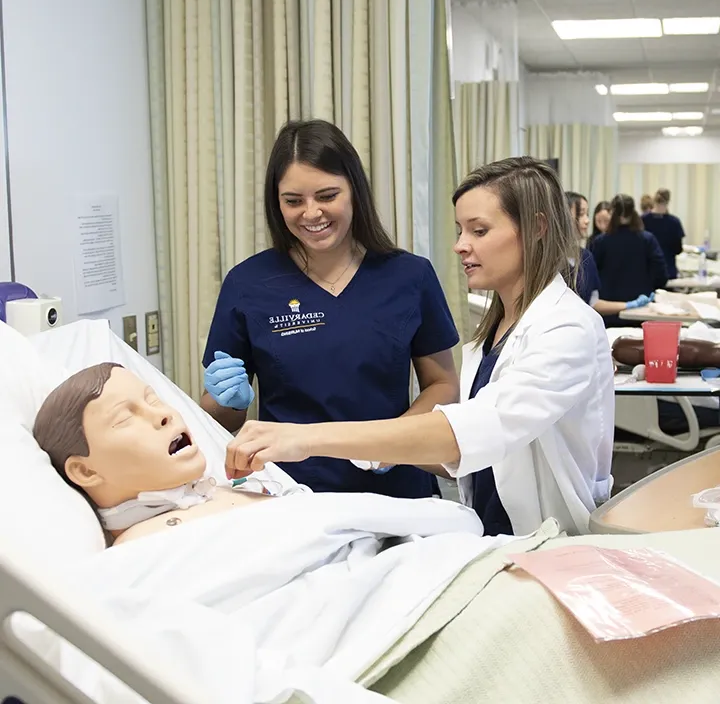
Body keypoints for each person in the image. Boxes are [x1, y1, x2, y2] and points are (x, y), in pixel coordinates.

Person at [225, 156, 616, 537]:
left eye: (478, 231)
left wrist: (304, 438)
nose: (460, 246)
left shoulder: (568, 328)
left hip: (550, 539)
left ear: (536, 228)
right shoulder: (496, 330)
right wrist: (382, 450)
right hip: (492, 533)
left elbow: (476, 431)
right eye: (459, 230)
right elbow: (461, 459)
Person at [200, 119, 460, 499]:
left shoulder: (409, 275)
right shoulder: (248, 283)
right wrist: (227, 402)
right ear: (277, 203)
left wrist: (391, 442)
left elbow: (443, 384)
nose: (311, 213)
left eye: (326, 195)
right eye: (293, 201)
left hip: (393, 490)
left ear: (354, 191)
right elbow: (217, 417)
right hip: (290, 494)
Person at [33, 363, 290, 546]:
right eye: (124, 418)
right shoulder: (140, 548)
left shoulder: (228, 490)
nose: (164, 414)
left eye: (153, 401)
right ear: (85, 471)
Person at [566, 191, 652, 317]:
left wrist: (629, 305)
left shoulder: (586, 257)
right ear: (562, 216)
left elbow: (593, 302)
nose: (587, 221)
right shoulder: (548, 260)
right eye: (581, 214)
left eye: (587, 214)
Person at [592, 194, 668, 327]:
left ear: (612, 213)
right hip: (642, 312)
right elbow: (661, 276)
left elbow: (591, 279)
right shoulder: (647, 240)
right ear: (633, 212)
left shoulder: (600, 242)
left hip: (609, 313)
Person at [642, 188, 685, 280]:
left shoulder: (642, 220)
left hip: (647, 272)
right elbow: (678, 249)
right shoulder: (674, 222)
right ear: (668, 201)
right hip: (668, 271)